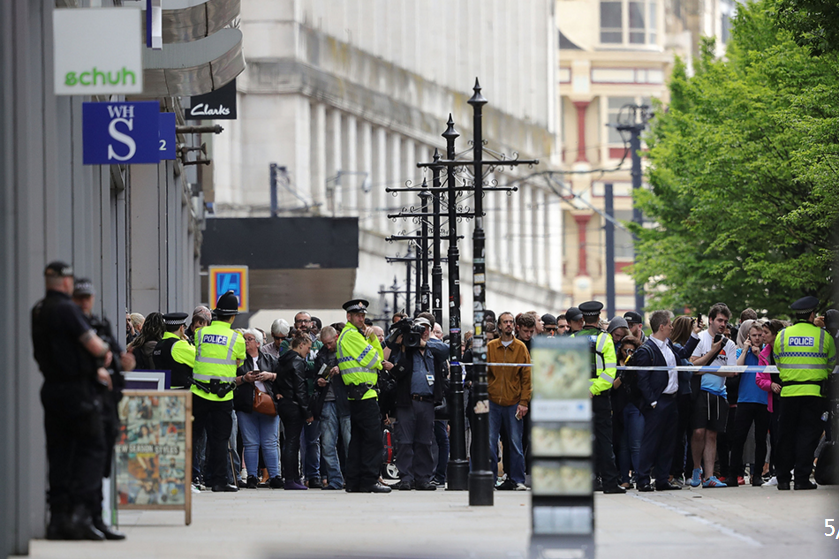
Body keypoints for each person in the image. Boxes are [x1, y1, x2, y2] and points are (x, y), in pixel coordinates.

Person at [32, 262, 114, 540]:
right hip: (76, 389)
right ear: (66, 282)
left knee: (59, 454)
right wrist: (103, 352)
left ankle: (58, 519)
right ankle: (81, 515)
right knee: (92, 449)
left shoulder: (39, 309)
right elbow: (96, 346)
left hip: (51, 388)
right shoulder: (66, 309)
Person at [71, 277, 132, 540]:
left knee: (104, 460)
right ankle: (86, 517)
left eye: (88, 297)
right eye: (80, 297)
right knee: (89, 462)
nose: (85, 302)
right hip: (87, 400)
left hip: (108, 402)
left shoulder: (100, 324)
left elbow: (121, 358)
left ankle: (99, 518)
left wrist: (123, 361)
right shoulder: (74, 326)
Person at [632, 311, 699, 491]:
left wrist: (694, 334)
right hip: (658, 402)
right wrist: (652, 402)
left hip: (672, 401)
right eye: (669, 324)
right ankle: (643, 479)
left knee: (669, 442)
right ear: (661, 326)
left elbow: (684, 352)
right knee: (651, 441)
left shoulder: (668, 344)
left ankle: (662, 479)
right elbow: (642, 379)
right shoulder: (647, 349)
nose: (672, 327)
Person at [773, 296, 836, 490]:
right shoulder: (824, 336)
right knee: (807, 437)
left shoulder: (782, 335)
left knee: (785, 436)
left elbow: (777, 361)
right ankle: (801, 479)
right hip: (813, 394)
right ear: (812, 315)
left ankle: (783, 479)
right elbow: (830, 364)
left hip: (788, 393)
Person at [191, 290, 246, 493]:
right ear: (232, 316)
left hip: (199, 392)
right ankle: (218, 481)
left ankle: (190, 478)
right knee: (220, 440)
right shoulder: (237, 338)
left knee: (193, 436)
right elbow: (239, 361)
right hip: (223, 396)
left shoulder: (200, 333)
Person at [337, 299, 391, 493]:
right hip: (364, 393)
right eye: (358, 316)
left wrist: (371, 341)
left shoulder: (354, 335)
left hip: (360, 393)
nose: (362, 319)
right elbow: (376, 361)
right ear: (349, 317)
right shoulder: (352, 335)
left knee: (359, 440)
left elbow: (377, 359)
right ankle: (368, 480)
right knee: (373, 440)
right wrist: (374, 340)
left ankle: (355, 482)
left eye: (363, 316)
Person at [572, 301, 625, 494]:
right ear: (599, 315)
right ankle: (610, 483)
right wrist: (593, 390)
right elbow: (609, 373)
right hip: (600, 397)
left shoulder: (571, 338)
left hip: (577, 398)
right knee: (604, 440)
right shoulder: (605, 339)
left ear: (583, 318)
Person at [389, 316, 447, 490]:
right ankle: (406, 476)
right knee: (404, 441)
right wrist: (402, 335)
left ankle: (423, 478)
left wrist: (424, 344)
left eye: (427, 328)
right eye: (420, 328)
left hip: (427, 402)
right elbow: (389, 345)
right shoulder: (406, 345)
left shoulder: (433, 347)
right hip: (408, 401)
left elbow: (446, 350)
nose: (424, 331)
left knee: (425, 441)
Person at [689, 303, 738, 488]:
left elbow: (732, 372)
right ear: (711, 320)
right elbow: (693, 367)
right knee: (699, 432)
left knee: (712, 435)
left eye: (725, 321)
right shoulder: (699, 339)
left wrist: (707, 368)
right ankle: (696, 468)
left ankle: (709, 476)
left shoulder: (730, 344)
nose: (723, 324)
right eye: (719, 320)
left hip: (719, 393)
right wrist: (713, 356)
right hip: (701, 392)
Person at [486, 312, 531, 491]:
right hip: (492, 400)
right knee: (489, 442)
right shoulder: (490, 347)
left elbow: (527, 378)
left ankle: (517, 479)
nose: (508, 325)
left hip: (513, 401)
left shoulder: (521, 348)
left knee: (515, 442)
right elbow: (484, 374)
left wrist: (524, 402)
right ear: (499, 325)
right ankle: (489, 478)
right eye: (505, 322)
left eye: (511, 322)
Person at [234, 329, 282, 489]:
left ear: (259, 343)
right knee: (250, 443)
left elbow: (283, 377)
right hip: (246, 406)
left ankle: (275, 476)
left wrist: (271, 376)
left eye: (250, 339)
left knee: (270, 442)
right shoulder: (238, 361)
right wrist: (244, 378)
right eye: (245, 339)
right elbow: (230, 379)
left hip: (269, 405)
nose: (246, 341)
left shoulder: (270, 360)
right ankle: (252, 476)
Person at [730, 322, 770, 486]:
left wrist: (759, 353)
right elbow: (736, 370)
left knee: (761, 440)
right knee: (738, 438)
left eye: (760, 335)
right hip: (745, 400)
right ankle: (733, 474)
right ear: (748, 336)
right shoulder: (742, 351)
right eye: (754, 335)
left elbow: (770, 369)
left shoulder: (767, 352)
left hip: (763, 400)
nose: (758, 338)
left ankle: (757, 474)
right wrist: (746, 350)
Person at [274, 333, 313, 489]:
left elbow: (276, 379)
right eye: (308, 348)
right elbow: (300, 388)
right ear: (301, 345)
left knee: (290, 441)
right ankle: (291, 479)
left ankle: (294, 478)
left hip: (284, 403)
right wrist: (308, 412)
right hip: (294, 405)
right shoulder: (297, 361)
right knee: (292, 442)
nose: (309, 351)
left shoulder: (283, 359)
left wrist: (278, 394)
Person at [313, 326, 350, 490]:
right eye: (325, 344)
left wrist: (341, 369)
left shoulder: (347, 349)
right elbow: (317, 375)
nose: (327, 346)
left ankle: (351, 477)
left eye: (329, 343)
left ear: (336, 337)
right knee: (327, 444)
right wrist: (319, 381)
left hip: (345, 400)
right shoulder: (321, 355)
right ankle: (335, 480)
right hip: (327, 401)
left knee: (350, 443)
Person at [756, 319, 786, 484]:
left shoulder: (787, 351)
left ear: (776, 334)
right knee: (775, 437)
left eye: (766, 333)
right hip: (774, 401)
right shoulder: (764, 354)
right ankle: (776, 473)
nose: (762, 336)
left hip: (790, 396)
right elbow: (759, 379)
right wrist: (771, 384)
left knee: (789, 435)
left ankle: (791, 468)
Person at [152, 313, 195, 390]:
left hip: (162, 389)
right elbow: (199, 359)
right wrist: (189, 342)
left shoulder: (159, 344)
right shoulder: (179, 345)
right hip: (181, 392)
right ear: (181, 328)